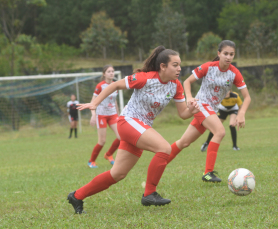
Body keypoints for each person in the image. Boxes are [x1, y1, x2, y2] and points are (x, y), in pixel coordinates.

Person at [67, 46, 200, 214]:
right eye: (175, 65)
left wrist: (193, 110)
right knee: (165, 148)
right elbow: (114, 85)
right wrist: (95, 103)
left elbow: (183, 114)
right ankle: (149, 193)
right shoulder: (144, 78)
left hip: (140, 128)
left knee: (117, 174)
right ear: (163, 66)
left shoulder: (176, 86)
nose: (179, 68)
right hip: (128, 122)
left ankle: (77, 196)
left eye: (180, 65)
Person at [166, 40, 251, 183]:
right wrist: (190, 98)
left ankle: (160, 162)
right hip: (200, 105)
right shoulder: (208, 67)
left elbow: (247, 97)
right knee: (220, 132)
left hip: (210, 110)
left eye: (231, 54)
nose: (228, 57)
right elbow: (187, 82)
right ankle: (208, 172)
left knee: (184, 142)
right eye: (225, 53)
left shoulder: (234, 73)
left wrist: (241, 113)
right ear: (219, 54)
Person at [87, 65, 121, 168]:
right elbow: (93, 102)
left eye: (112, 71)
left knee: (121, 137)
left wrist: (118, 115)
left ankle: (109, 154)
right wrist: (93, 115)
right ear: (104, 74)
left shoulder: (116, 85)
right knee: (102, 141)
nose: (111, 73)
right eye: (109, 71)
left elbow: (114, 101)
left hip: (112, 114)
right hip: (101, 114)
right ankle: (91, 161)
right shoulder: (100, 86)